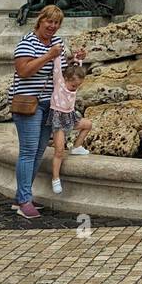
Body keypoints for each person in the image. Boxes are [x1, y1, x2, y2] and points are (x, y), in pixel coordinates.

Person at [9, 5, 86, 219]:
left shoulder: (57, 43)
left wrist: (75, 60)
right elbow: (23, 71)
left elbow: (61, 72)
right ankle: (25, 200)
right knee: (28, 151)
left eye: (57, 23)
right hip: (28, 104)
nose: (52, 26)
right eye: (49, 21)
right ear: (40, 21)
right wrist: (48, 55)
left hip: (49, 105)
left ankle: (20, 198)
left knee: (39, 150)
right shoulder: (27, 42)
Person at [49, 56, 92, 194]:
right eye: (74, 86)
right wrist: (56, 55)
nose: (75, 89)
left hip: (70, 116)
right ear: (65, 79)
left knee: (88, 124)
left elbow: (76, 68)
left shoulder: (73, 81)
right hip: (59, 118)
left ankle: (77, 147)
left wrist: (78, 60)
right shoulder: (59, 83)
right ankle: (55, 178)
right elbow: (57, 70)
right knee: (59, 150)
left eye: (78, 86)